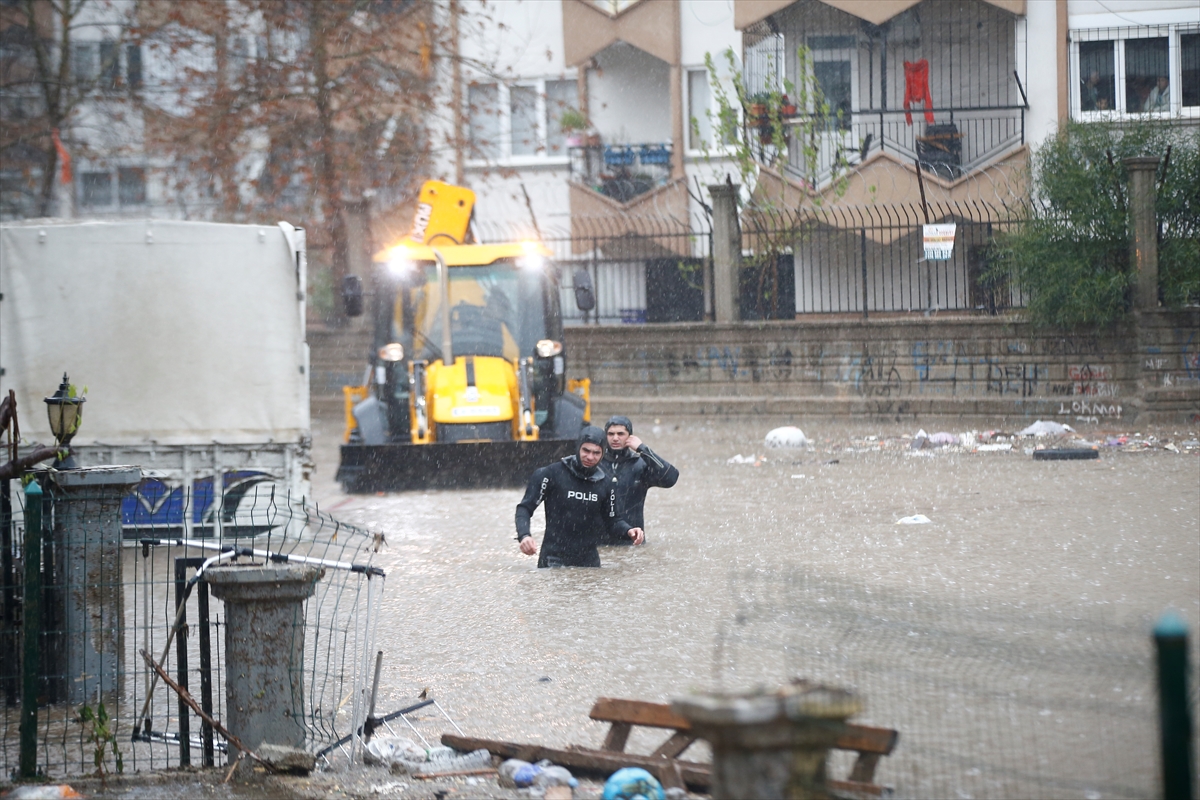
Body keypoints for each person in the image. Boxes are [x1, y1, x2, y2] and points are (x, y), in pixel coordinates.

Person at [515, 426, 644, 567]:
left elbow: (612, 521)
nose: (590, 457)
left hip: (589, 562)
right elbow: (525, 508)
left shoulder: (606, 483)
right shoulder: (550, 474)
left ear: (603, 454)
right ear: (578, 448)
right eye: (586, 451)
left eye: (596, 453)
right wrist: (524, 535)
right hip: (553, 559)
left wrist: (629, 530)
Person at [599, 415, 679, 546]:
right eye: (610, 434)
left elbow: (671, 477)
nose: (615, 438)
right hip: (599, 544)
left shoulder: (640, 465)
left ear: (630, 437)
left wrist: (643, 449)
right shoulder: (595, 462)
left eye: (620, 434)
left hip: (632, 543)